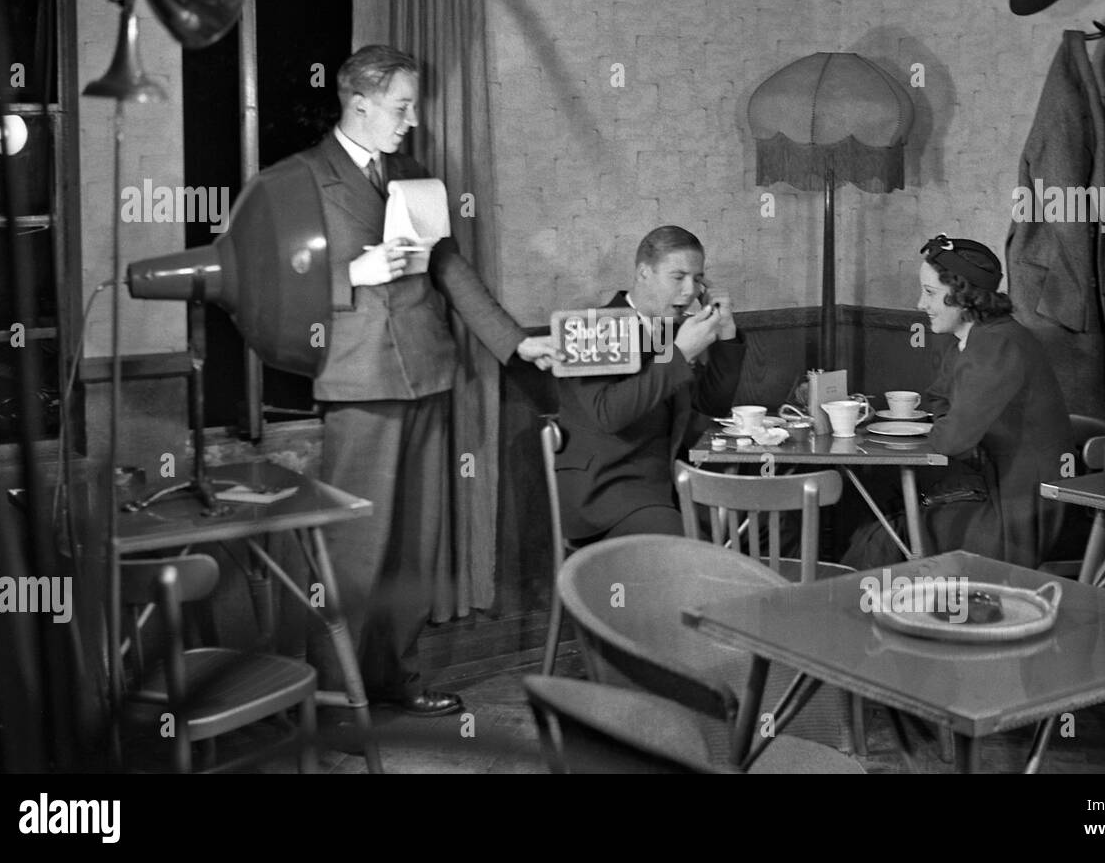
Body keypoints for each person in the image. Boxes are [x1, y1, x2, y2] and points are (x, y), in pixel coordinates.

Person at [243, 45, 560, 717]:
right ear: (358, 102)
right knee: (356, 553)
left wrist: (515, 343)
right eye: (401, 106)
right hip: (359, 382)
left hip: (428, 373)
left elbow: (448, 267)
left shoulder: (413, 175)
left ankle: (396, 681)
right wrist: (355, 272)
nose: (412, 119)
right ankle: (333, 699)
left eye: (412, 105)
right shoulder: (296, 181)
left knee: (416, 547)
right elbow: (261, 281)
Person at [845, 234, 1072, 569]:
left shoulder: (997, 346)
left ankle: (876, 614)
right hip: (991, 490)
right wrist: (948, 423)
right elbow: (939, 402)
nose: (920, 304)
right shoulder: (972, 340)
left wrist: (944, 427)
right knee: (878, 519)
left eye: (930, 293)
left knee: (883, 537)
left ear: (964, 296)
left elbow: (951, 438)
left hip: (1018, 515)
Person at [554, 226, 745, 542]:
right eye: (678, 277)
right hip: (607, 493)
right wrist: (680, 354)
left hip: (668, 486)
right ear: (643, 273)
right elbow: (609, 413)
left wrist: (726, 331)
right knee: (682, 546)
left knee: (778, 520)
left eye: (697, 279)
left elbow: (712, 404)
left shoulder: (673, 331)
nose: (690, 291)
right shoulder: (590, 327)